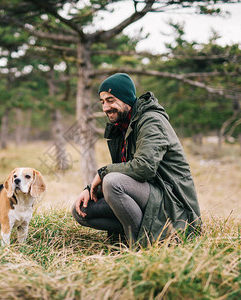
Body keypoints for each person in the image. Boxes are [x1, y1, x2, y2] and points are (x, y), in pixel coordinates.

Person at [72, 73, 201, 246]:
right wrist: (90, 189)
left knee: (112, 182)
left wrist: (103, 173)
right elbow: (126, 169)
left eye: (111, 100)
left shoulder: (151, 121)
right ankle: (130, 238)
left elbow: (144, 168)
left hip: (174, 206)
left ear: (126, 99)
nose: (105, 108)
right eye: (102, 102)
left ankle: (141, 246)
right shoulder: (123, 125)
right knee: (80, 210)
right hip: (150, 195)